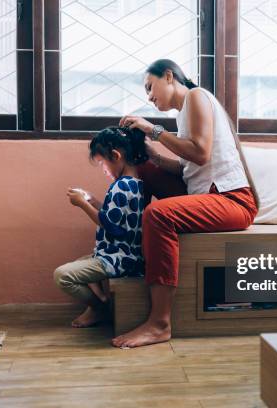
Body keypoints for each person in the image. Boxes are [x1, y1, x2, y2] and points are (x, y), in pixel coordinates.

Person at [112, 59, 259, 348]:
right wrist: (150, 154)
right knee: (144, 169)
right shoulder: (183, 116)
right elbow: (188, 169)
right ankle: (133, 249)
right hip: (204, 194)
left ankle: (159, 323)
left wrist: (152, 129)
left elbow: (201, 153)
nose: (149, 97)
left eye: (150, 87)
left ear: (168, 76)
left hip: (232, 201)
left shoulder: (196, 96)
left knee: (158, 214)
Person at [54, 126, 147, 328]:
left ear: (116, 155)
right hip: (123, 255)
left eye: (102, 163)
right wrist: (93, 200)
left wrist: (82, 204)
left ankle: (99, 307)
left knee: (62, 275)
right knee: (81, 261)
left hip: (119, 258)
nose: (104, 170)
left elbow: (111, 226)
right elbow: (115, 216)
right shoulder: (134, 183)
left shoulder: (122, 185)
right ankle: (102, 302)